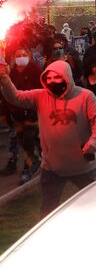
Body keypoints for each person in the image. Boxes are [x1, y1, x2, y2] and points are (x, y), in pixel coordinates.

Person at [0, 60, 96, 216]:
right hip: (52, 168)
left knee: (94, 206)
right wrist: (5, 79)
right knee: (48, 210)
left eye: (56, 78)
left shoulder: (86, 96)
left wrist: (94, 141)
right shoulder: (40, 96)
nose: (52, 82)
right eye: (48, 79)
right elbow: (16, 97)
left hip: (82, 166)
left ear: (67, 77)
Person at [1, 48, 43, 183]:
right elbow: (5, 95)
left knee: (28, 140)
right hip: (15, 116)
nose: (21, 57)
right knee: (20, 140)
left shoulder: (36, 71)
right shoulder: (10, 73)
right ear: (13, 58)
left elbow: (41, 93)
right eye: (18, 55)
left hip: (32, 116)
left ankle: (27, 169)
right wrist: (4, 113)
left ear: (29, 56)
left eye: (24, 55)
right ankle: (31, 161)